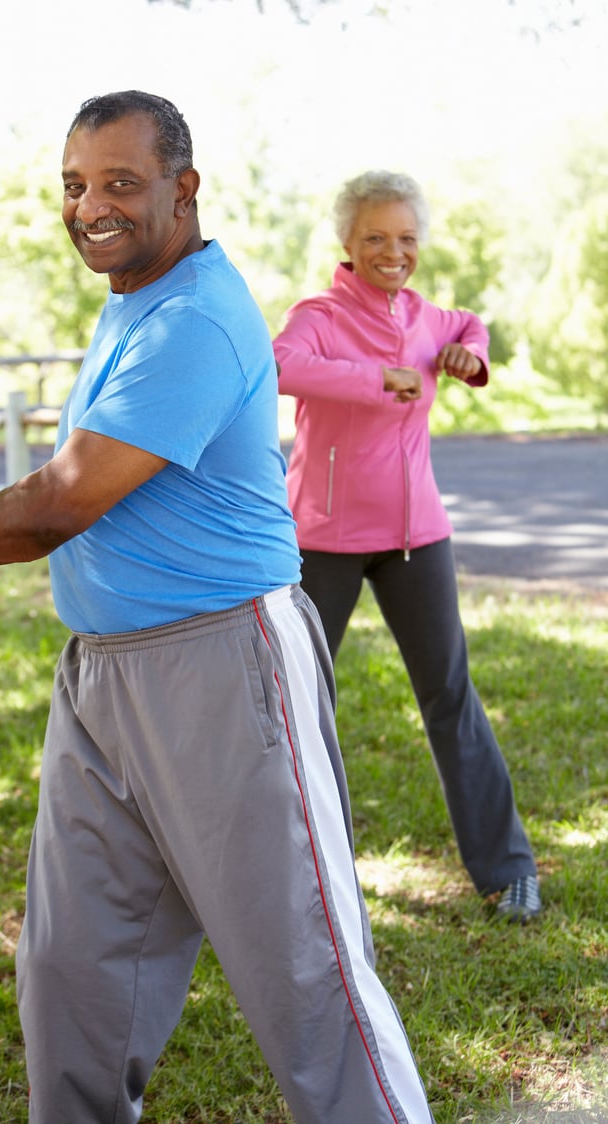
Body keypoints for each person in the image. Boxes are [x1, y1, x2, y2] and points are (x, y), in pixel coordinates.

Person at [0, 96, 434, 1124]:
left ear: (184, 189)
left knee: (303, 971)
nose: (91, 205)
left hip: (222, 667)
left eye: (120, 183)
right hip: (102, 673)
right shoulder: (132, 302)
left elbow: (63, 496)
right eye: (75, 184)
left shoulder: (194, 316)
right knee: (72, 970)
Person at [273, 170, 541, 925]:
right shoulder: (319, 314)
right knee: (297, 703)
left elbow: (467, 328)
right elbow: (280, 364)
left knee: (449, 695)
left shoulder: (427, 316)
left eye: (406, 239)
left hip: (416, 535)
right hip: (322, 538)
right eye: (375, 239)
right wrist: (369, 378)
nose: (393, 253)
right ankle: (298, 876)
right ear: (347, 245)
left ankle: (506, 870)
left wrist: (468, 355)